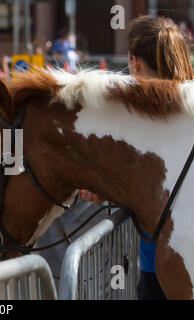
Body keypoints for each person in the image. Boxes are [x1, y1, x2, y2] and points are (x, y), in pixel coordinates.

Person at [79, 15, 193, 300]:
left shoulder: (142, 120)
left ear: (135, 62)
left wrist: (104, 189)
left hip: (162, 267)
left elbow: (148, 186)